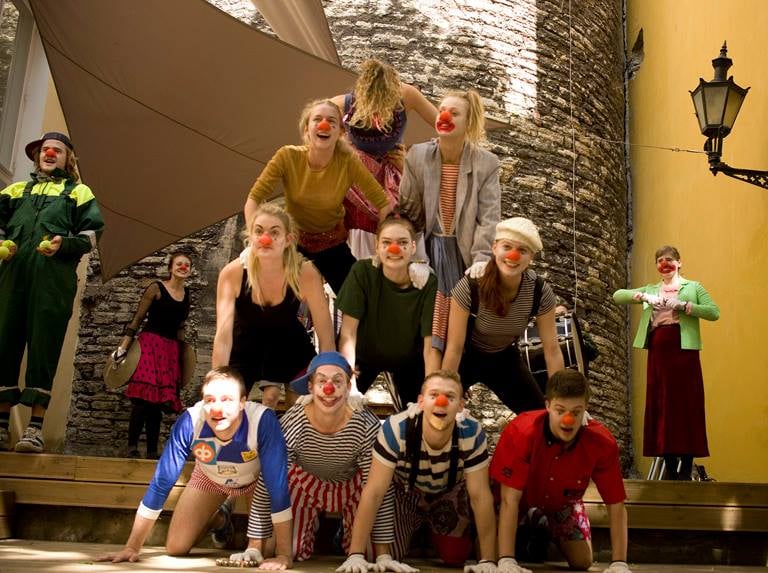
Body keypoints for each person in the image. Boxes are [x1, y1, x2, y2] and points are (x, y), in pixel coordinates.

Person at [96, 367, 293, 567]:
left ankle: (239, 519)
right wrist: (132, 547)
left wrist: (284, 555)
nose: (217, 408)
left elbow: (277, 488)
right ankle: (220, 519)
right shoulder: (190, 421)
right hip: (210, 477)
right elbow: (162, 482)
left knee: (266, 551)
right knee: (176, 547)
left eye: (226, 399)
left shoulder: (262, 420)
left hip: (257, 482)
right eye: (210, 400)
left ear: (242, 402)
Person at [0, 132, 104, 453]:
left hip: (53, 283)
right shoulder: (15, 190)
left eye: (56, 150)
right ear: (37, 156)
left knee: (44, 348)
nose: (49, 154)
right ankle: (1, 427)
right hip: (11, 278)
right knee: (4, 342)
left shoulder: (79, 192)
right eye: (44, 150)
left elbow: (92, 235)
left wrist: (64, 244)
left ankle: (34, 429)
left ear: (68, 158)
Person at [338, 370, 497, 572]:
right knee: (384, 556)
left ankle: (429, 536)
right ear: (421, 402)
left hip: (447, 494)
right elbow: (374, 492)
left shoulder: (471, 432)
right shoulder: (397, 428)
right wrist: (355, 554)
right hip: (406, 494)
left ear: (460, 405)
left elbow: (480, 496)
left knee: (455, 555)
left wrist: (488, 560)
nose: (441, 402)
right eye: (434, 395)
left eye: (450, 397)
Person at [247, 351, 396, 563]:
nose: (329, 389)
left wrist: (383, 555)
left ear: (348, 387)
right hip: (304, 484)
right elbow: (268, 481)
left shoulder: (365, 424)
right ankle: (309, 529)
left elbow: (378, 489)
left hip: (352, 486)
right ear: (310, 387)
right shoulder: (294, 421)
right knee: (285, 549)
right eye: (321, 381)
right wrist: (254, 546)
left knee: (369, 555)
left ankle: (344, 535)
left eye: (337, 381)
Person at [244, 99, 393, 293]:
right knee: (271, 294)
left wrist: (383, 244)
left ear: (340, 132)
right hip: (291, 242)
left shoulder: (348, 162)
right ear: (307, 129)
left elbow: (383, 203)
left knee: (359, 296)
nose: (324, 125)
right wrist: (253, 241)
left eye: (331, 121)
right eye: (317, 119)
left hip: (331, 242)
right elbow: (254, 199)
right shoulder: (287, 156)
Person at [490, 370, 631, 573]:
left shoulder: (602, 444)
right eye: (560, 410)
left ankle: (542, 524)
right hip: (518, 500)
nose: (568, 419)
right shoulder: (522, 432)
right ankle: (527, 528)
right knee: (491, 553)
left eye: (576, 412)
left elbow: (616, 504)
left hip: (562, 503)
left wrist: (619, 563)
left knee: (582, 561)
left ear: (586, 409)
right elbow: (508, 500)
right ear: (547, 405)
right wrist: (506, 559)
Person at [398, 89, 501, 353]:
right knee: (428, 323)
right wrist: (417, 257)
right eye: (442, 110)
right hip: (428, 249)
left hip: (464, 253)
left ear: (469, 122)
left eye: (454, 113)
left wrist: (481, 258)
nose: (444, 116)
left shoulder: (486, 163)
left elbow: (489, 217)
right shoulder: (417, 155)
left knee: (462, 325)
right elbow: (409, 212)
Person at [213, 202, 334, 408]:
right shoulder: (232, 274)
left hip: (290, 347)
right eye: (259, 231)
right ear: (250, 237)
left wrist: (326, 375)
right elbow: (223, 337)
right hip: (245, 348)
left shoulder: (305, 273)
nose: (265, 238)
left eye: (274, 232)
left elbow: (326, 336)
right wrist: (217, 381)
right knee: (227, 406)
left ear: (288, 239)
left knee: (303, 409)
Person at [613, 245, 719, 480]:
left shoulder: (693, 287)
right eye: (660, 260)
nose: (664, 263)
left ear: (679, 263)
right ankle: (670, 466)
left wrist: (684, 306)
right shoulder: (651, 289)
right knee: (662, 402)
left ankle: (686, 467)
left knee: (687, 403)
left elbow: (714, 312)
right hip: (659, 351)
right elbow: (618, 295)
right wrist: (643, 296)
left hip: (684, 351)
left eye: (669, 259)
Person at [443, 217, 564, 413]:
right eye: (507, 246)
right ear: (494, 248)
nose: (513, 255)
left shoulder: (539, 292)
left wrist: (562, 400)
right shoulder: (471, 286)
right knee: (442, 410)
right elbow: (454, 348)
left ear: (531, 258)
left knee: (538, 416)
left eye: (522, 250)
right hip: (466, 357)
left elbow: (552, 350)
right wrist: (448, 390)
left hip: (503, 358)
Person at [330, 58, 438, 258]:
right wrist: (343, 147)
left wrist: (413, 156)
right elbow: (315, 133)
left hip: (393, 175)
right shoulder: (341, 104)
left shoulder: (408, 95)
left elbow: (446, 127)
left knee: (402, 219)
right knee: (359, 229)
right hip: (359, 181)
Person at [337, 217, 440, 408]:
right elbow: (348, 333)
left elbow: (430, 344)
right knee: (340, 403)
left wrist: (431, 390)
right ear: (376, 246)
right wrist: (349, 383)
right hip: (363, 356)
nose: (394, 249)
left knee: (421, 412)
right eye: (386, 242)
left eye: (402, 242)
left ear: (413, 247)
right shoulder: (362, 272)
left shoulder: (428, 283)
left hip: (408, 361)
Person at [111, 251, 192, 459]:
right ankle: (132, 447)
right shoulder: (156, 288)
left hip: (170, 351)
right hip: (149, 346)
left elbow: (181, 327)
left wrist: (182, 356)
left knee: (157, 403)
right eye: (179, 264)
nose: (183, 267)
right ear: (171, 268)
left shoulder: (187, 294)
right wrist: (123, 347)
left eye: (187, 265)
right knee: (142, 399)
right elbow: (138, 319)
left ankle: (152, 451)